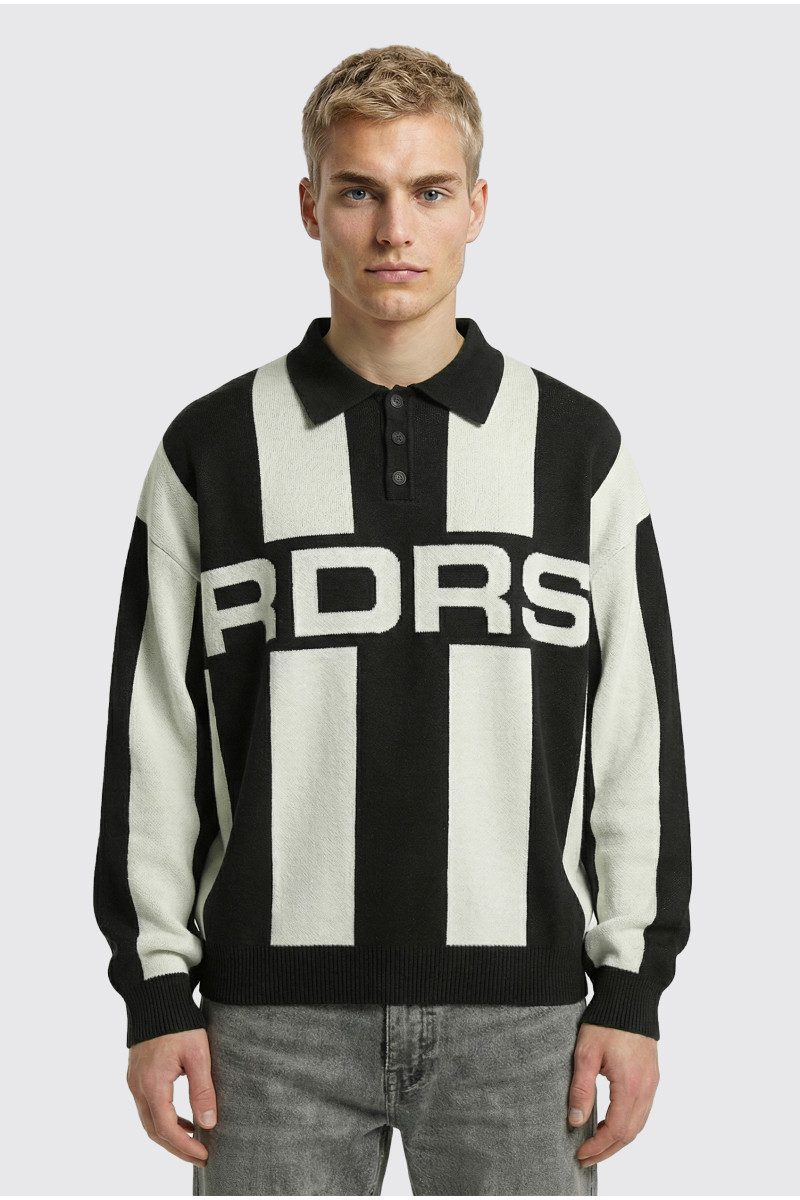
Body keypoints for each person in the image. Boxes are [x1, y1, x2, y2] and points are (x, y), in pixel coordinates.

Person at [93, 43, 692, 1197]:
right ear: (308, 205)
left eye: (427, 191)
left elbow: (634, 739)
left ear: (477, 206)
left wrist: (630, 989)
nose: (393, 231)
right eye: (359, 191)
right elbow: (152, 742)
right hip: (266, 1029)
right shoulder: (211, 451)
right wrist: (156, 990)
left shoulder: (575, 449)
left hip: (524, 1025)